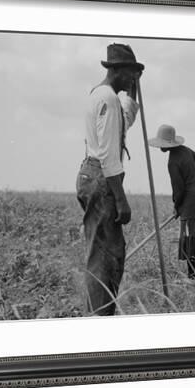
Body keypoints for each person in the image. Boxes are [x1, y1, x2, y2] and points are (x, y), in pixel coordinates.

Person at [76, 43, 144, 315]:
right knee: (106, 256)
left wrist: (135, 87)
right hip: (102, 178)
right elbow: (107, 154)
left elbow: (125, 118)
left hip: (90, 174)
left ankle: (99, 313)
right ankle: (100, 319)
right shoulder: (108, 99)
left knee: (105, 252)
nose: (131, 79)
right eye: (129, 73)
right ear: (116, 70)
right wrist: (121, 199)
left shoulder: (103, 95)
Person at [148, 124, 195, 279]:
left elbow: (179, 190)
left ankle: (192, 277)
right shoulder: (186, 150)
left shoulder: (173, 162)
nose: (161, 147)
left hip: (191, 203)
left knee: (190, 237)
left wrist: (176, 206)